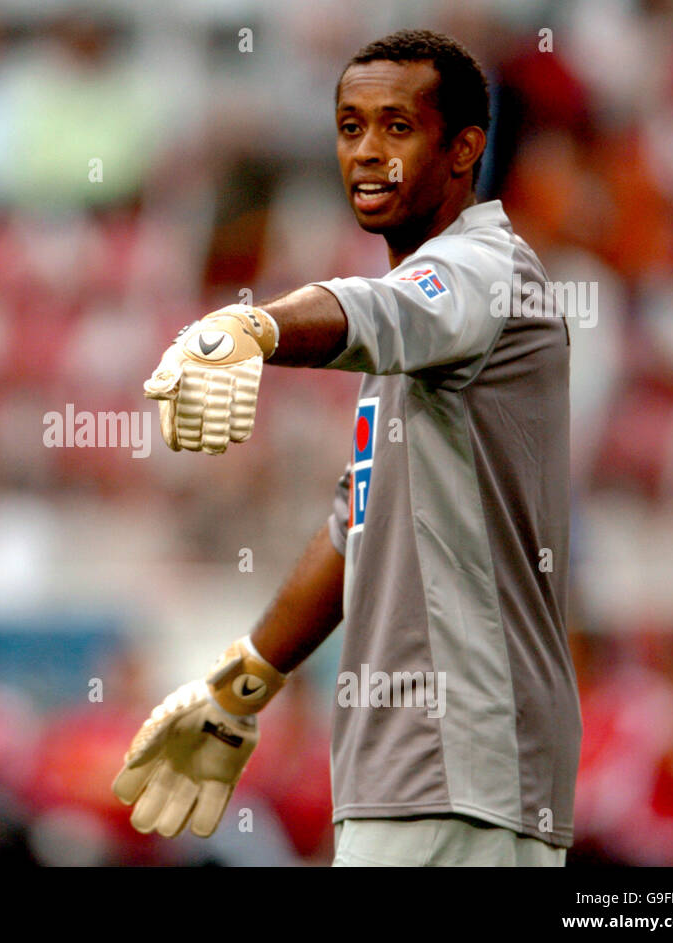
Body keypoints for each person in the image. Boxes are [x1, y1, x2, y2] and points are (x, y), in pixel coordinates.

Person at [114, 29, 581, 866]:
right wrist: (242, 686)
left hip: (461, 767)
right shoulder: (425, 338)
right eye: (349, 125)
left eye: (397, 127)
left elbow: (372, 311)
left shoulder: (481, 271)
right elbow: (352, 528)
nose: (366, 152)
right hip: (415, 773)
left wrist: (249, 326)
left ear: (464, 147)